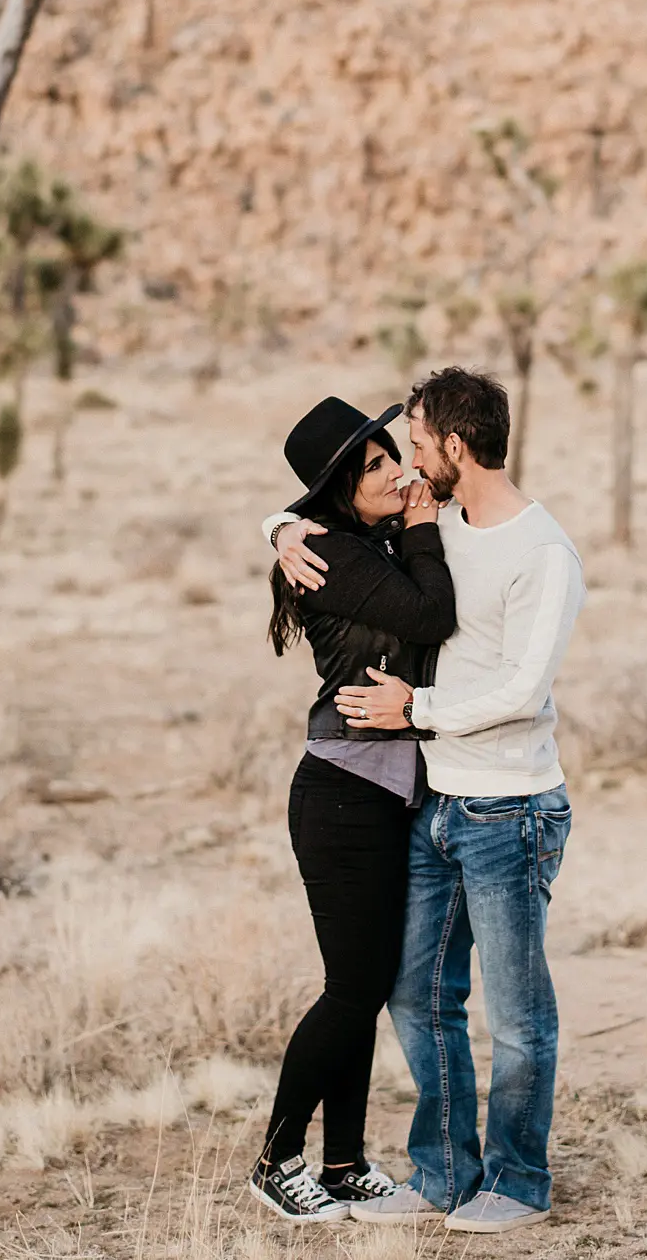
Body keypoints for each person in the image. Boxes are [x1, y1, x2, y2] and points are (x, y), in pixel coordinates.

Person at [267, 367, 584, 1234]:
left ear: (454, 445)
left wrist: (419, 710)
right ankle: (443, 1174)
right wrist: (281, 526)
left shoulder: (544, 553)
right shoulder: (436, 522)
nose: (407, 466)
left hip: (510, 809)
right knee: (414, 995)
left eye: (414, 446)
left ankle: (517, 1183)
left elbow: (523, 690)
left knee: (517, 1015)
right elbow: (344, 528)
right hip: (434, 801)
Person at [250, 394, 456, 1224]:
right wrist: (419, 525)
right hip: (342, 796)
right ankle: (276, 1159)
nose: (395, 468)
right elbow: (431, 614)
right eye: (375, 465)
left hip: (378, 794)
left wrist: (276, 523)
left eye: (388, 451)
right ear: (339, 491)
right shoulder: (334, 551)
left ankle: (342, 1162)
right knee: (351, 988)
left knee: (363, 987)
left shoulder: (343, 540)